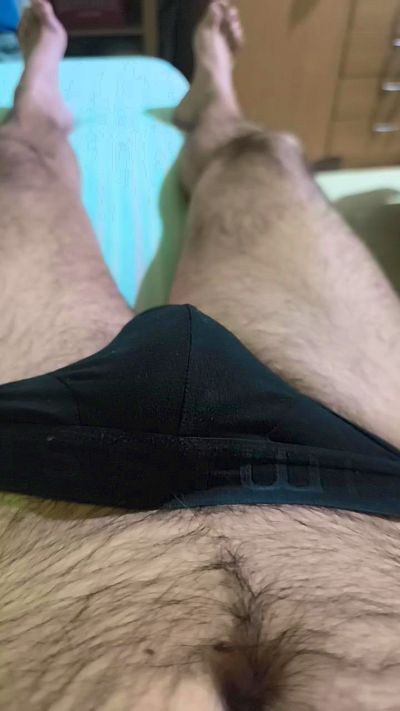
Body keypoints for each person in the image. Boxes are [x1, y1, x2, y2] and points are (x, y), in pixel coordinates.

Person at [1, 1, 400, 708]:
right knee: (266, 156)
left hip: (22, 455)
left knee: (16, 170)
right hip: (370, 470)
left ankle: (208, 97)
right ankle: (59, 94)